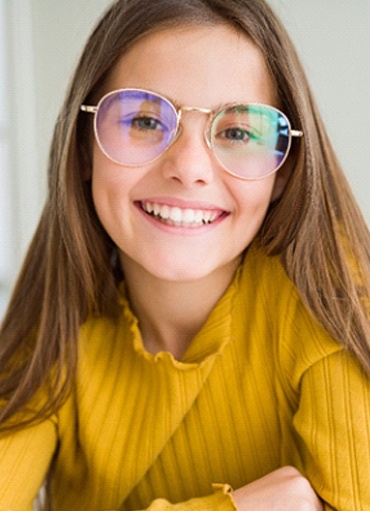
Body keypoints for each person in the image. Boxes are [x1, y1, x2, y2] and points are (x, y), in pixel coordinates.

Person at [0, 0, 369, 509]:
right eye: (146, 121)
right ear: (84, 147)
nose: (190, 167)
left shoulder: (331, 297)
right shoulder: (54, 327)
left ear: (283, 169)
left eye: (238, 131)